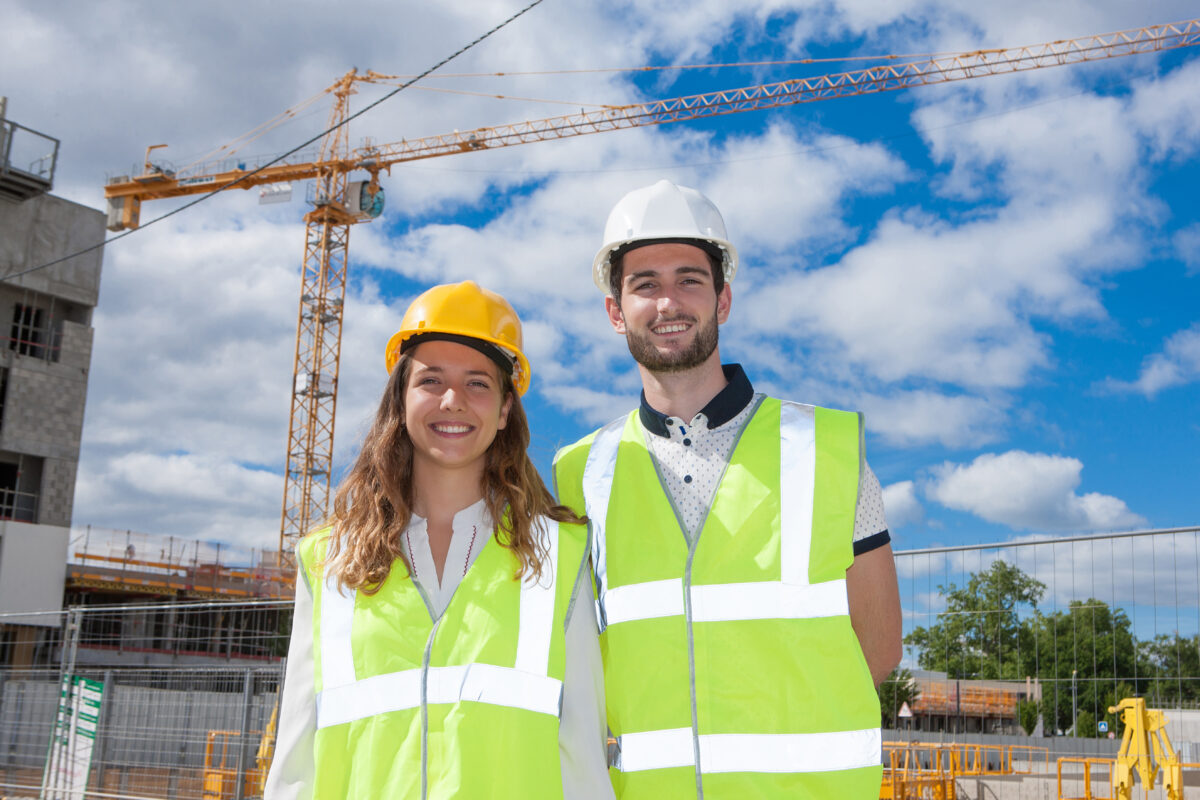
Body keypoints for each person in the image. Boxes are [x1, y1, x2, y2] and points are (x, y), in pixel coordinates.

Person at [553, 181, 903, 798]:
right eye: (645, 284)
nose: (669, 302)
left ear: (724, 299)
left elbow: (876, 648)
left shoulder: (825, 450)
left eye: (690, 280)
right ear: (615, 312)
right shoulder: (579, 473)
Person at [266, 281, 613, 799]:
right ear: (401, 401)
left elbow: (582, 755)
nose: (452, 401)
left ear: (503, 411)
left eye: (477, 383)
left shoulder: (558, 555)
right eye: (431, 380)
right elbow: (295, 762)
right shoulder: (329, 559)